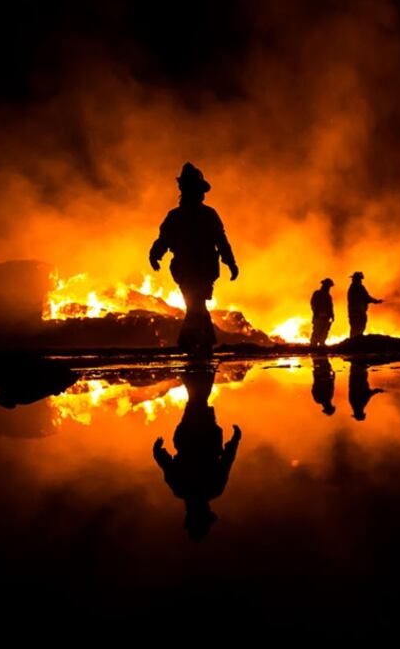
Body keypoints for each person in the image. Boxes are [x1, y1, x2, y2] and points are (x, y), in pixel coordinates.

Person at [149, 162, 239, 358]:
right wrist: (155, 254)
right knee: (196, 304)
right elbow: (164, 239)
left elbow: (221, 240)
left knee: (196, 304)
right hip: (188, 270)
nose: (201, 195)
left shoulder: (203, 215)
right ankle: (196, 342)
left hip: (201, 270)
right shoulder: (182, 216)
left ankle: (196, 342)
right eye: (198, 190)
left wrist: (231, 262)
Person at [153, 368, 242, 542]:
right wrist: (158, 452)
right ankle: (197, 369)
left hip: (199, 437)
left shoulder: (209, 489)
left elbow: (226, 461)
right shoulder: (186, 489)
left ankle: (198, 369)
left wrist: (158, 452)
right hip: (195, 437)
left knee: (197, 400)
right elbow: (226, 462)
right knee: (197, 400)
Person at [346, 271, 382, 338]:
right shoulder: (358, 288)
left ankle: (352, 343)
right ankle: (355, 344)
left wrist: (374, 301)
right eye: (360, 279)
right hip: (359, 312)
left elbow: (365, 297)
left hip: (354, 313)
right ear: (357, 279)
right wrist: (376, 301)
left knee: (355, 329)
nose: (361, 281)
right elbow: (366, 297)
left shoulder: (353, 288)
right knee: (358, 328)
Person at [310, 278, 335, 347]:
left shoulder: (328, 296)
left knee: (324, 331)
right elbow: (313, 303)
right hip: (318, 316)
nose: (329, 288)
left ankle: (322, 343)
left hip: (326, 316)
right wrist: (315, 312)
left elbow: (330, 306)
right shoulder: (317, 293)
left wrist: (332, 315)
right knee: (317, 330)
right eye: (328, 286)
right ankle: (313, 344)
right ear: (324, 286)